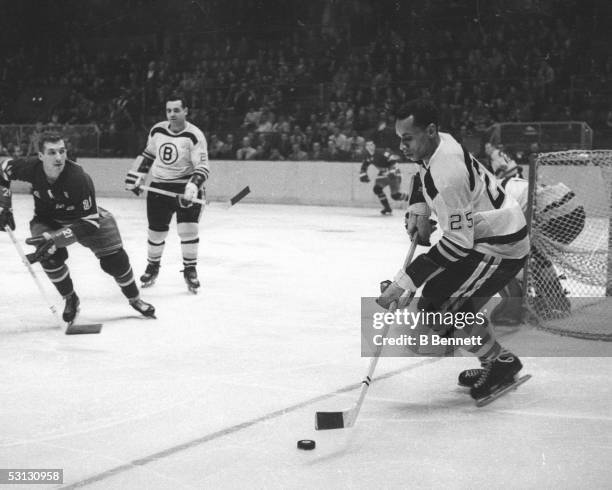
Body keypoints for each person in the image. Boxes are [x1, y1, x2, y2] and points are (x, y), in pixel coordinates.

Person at [377, 99, 530, 402]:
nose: (402, 147)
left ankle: (497, 362)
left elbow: (458, 242)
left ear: (430, 130)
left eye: (408, 138)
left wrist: (406, 280)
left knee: (440, 309)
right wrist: (419, 209)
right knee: (440, 303)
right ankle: (496, 360)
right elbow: (422, 175)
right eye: (400, 139)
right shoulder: (440, 143)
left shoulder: (448, 174)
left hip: (499, 245)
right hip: (485, 237)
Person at [0, 132, 155, 324]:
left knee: (115, 261)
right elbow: (3, 169)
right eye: (51, 152)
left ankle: (135, 299)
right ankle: (70, 298)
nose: (58, 157)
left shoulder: (78, 178)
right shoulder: (29, 168)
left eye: (62, 151)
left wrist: (55, 239)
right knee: (49, 258)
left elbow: (90, 222)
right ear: (40, 156)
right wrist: (5, 206)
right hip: (47, 220)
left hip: (85, 219)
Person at [125, 95, 210, 293]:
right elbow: (148, 155)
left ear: (186, 111)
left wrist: (193, 187)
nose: (172, 114)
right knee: (156, 232)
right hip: (159, 188)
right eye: (169, 110)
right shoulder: (157, 130)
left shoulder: (194, 136)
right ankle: (153, 266)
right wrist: (136, 176)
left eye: (176, 110)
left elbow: (203, 166)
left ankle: (190, 269)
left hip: (184, 188)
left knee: (188, 230)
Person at [359, 140, 406, 215]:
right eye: (368, 145)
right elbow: (364, 165)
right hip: (383, 173)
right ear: (366, 147)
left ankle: (413, 198)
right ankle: (387, 208)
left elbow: (394, 159)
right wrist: (363, 174)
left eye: (372, 144)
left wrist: (392, 171)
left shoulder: (382, 152)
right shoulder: (367, 155)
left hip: (393, 172)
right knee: (377, 189)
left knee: (395, 196)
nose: (370, 146)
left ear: (374, 146)